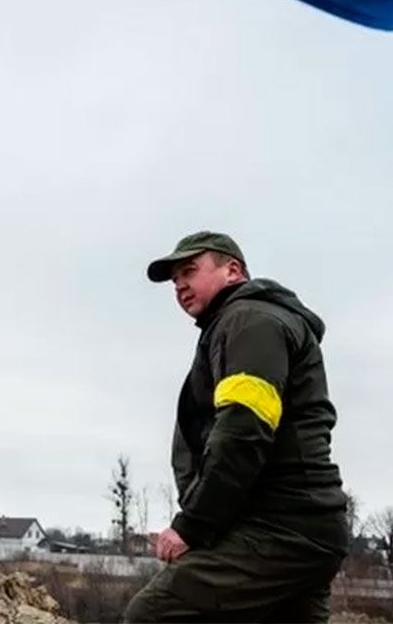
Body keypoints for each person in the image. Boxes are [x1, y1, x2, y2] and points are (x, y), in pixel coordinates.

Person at [125, 231, 348, 623]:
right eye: (175, 279)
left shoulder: (249, 321)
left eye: (190, 270)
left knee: (151, 615)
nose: (179, 285)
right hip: (303, 528)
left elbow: (244, 430)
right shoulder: (243, 323)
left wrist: (192, 525)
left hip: (278, 528)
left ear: (232, 271)